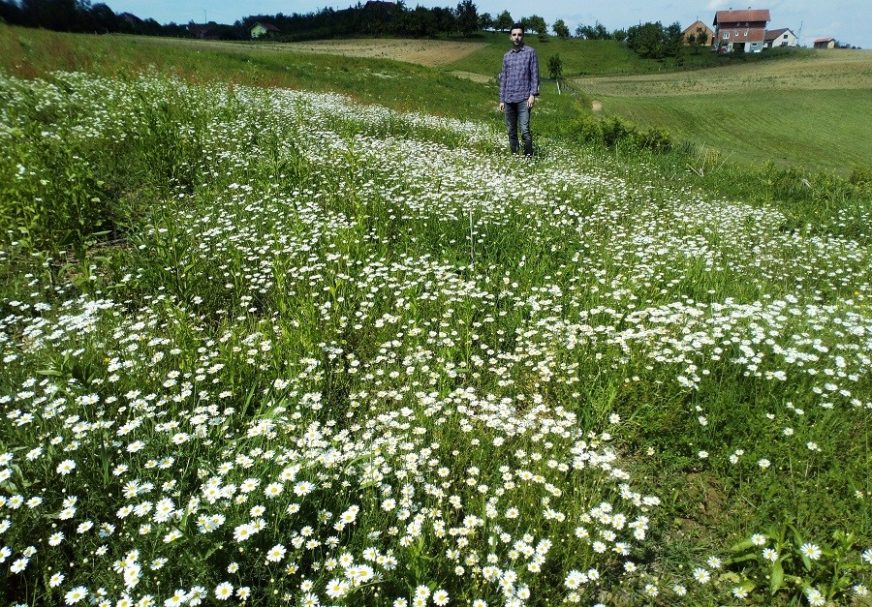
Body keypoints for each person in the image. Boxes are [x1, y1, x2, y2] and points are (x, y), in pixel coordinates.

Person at [499, 23, 540, 157]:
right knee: (511, 131)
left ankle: (529, 159)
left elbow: (534, 75)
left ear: (523, 36)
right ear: (510, 37)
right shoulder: (507, 56)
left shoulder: (530, 52)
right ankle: (515, 157)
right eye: (514, 34)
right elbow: (503, 79)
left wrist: (533, 94)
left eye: (519, 34)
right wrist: (501, 99)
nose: (517, 37)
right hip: (509, 99)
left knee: (524, 130)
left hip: (524, 98)